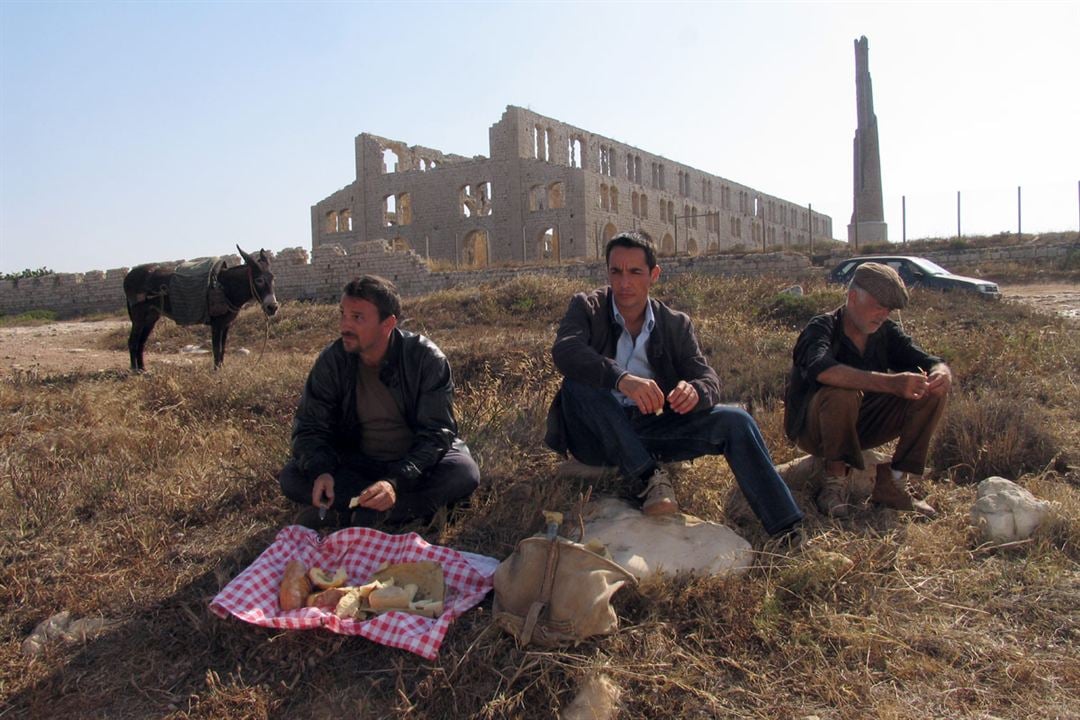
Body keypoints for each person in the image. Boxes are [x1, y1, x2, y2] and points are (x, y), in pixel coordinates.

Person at [544, 231, 804, 540]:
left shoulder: (675, 323)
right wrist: (621, 379)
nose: (624, 282)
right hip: (595, 433)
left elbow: (708, 379)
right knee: (578, 384)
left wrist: (695, 391)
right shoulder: (587, 307)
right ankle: (650, 477)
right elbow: (565, 350)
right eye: (616, 271)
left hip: (649, 429)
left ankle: (788, 530)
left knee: (737, 421)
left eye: (635, 272)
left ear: (654, 275)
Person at [278, 275, 479, 529]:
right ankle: (385, 511)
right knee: (292, 476)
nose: (344, 326)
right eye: (343, 315)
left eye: (357, 318)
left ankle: (360, 512)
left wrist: (394, 483)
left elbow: (436, 434)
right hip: (359, 463)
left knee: (463, 473)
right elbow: (309, 426)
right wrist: (322, 470)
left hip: (414, 465)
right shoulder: (333, 360)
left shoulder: (425, 359)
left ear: (388, 324)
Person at [784, 262, 951, 519]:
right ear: (853, 297)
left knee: (930, 390)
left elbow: (928, 359)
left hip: (862, 426)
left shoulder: (885, 332)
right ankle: (834, 483)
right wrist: (891, 383)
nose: (883, 314)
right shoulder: (822, 327)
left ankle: (894, 481)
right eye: (878, 305)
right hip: (814, 429)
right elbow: (822, 369)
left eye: (889, 309)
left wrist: (941, 372)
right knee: (841, 390)